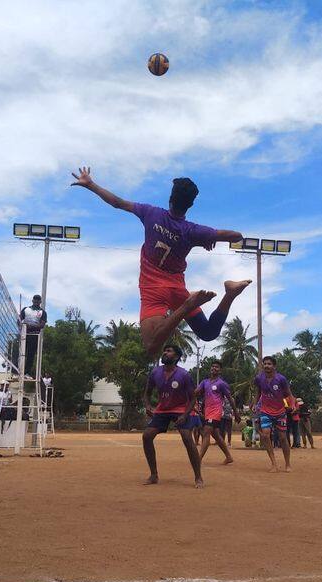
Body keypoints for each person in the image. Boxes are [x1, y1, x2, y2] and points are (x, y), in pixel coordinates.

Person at [71, 167, 251, 358]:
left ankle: (187, 306)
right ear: (190, 205)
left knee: (151, 348)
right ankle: (230, 294)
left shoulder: (151, 213)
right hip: (176, 288)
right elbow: (236, 236)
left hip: (153, 289)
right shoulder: (192, 230)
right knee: (208, 333)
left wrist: (90, 184)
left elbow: (117, 203)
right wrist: (208, 238)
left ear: (170, 199)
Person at [141, 345, 203, 488]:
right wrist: (148, 406)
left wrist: (185, 414)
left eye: (169, 351)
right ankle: (154, 475)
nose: (165, 352)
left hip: (181, 408)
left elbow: (193, 398)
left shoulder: (184, 375)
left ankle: (198, 477)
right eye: (164, 350)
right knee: (147, 436)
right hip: (163, 409)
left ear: (176, 357)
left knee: (187, 437)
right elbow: (147, 393)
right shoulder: (155, 372)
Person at [253, 356, 294, 473]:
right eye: (265, 364)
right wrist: (255, 404)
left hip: (280, 412)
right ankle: (274, 464)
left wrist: (292, 405)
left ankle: (288, 463)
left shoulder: (281, 379)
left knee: (282, 438)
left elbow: (288, 394)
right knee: (265, 435)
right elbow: (258, 392)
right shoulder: (259, 378)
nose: (266, 366)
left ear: (274, 366)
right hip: (265, 411)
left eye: (269, 364)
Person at [196, 360, 240, 464]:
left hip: (216, 411)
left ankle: (198, 459)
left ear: (220, 370)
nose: (214, 368)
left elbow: (230, 398)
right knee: (215, 435)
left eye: (217, 367)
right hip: (207, 412)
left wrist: (236, 413)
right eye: (213, 366)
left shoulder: (221, 384)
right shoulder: (204, 382)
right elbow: (196, 393)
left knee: (206, 431)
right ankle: (229, 457)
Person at [20, 295, 47, 375]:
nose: (36, 302)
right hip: (24, 334)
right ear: (32, 300)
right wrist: (21, 325)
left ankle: (27, 372)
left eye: (38, 301)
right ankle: (18, 371)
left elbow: (42, 325)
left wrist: (31, 326)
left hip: (34, 335)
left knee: (30, 354)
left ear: (40, 302)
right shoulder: (26, 309)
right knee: (21, 352)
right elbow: (19, 320)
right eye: (35, 301)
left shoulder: (42, 312)